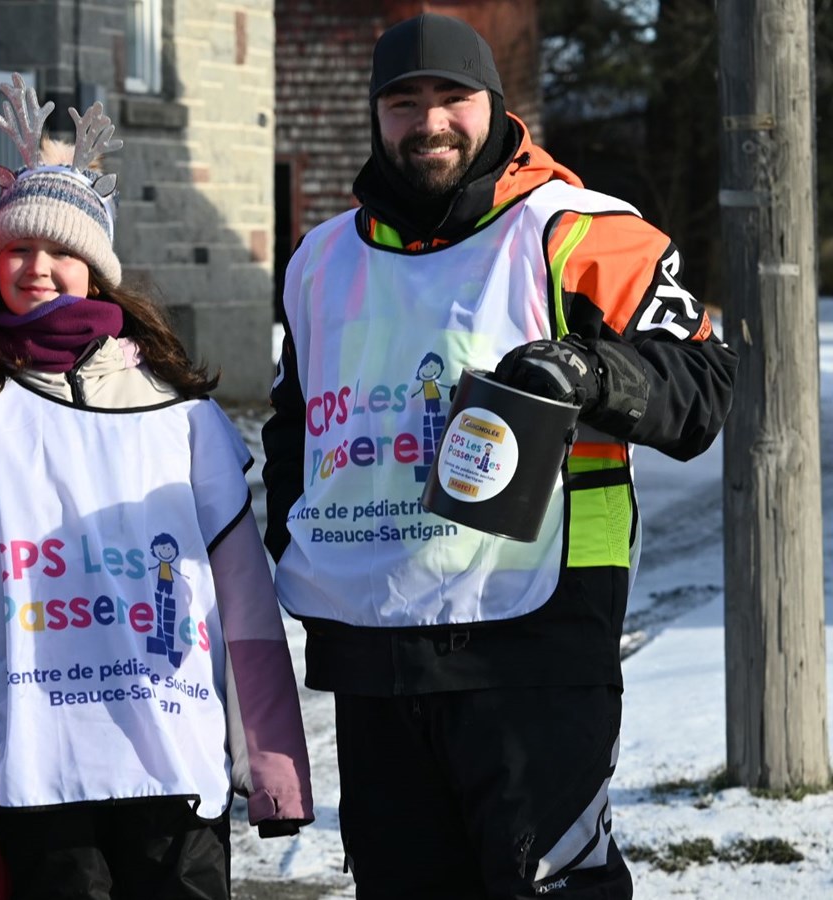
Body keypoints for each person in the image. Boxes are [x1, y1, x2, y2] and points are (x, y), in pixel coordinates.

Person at [262, 13, 737, 900]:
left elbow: (705, 383)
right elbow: (296, 426)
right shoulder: (319, 260)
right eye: (405, 102)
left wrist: (589, 369)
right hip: (373, 651)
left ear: (496, 106)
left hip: (535, 637)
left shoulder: (580, 231)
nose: (430, 121)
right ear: (376, 114)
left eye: (454, 99)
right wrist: (299, 550)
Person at [0, 75, 314, 900]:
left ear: (95, 271)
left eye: (60, 250)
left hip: (175, 767)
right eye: (18, 249)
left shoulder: (183, 414)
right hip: (45, 770)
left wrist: (269, 763)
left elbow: (243, 604)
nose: (36, 267)